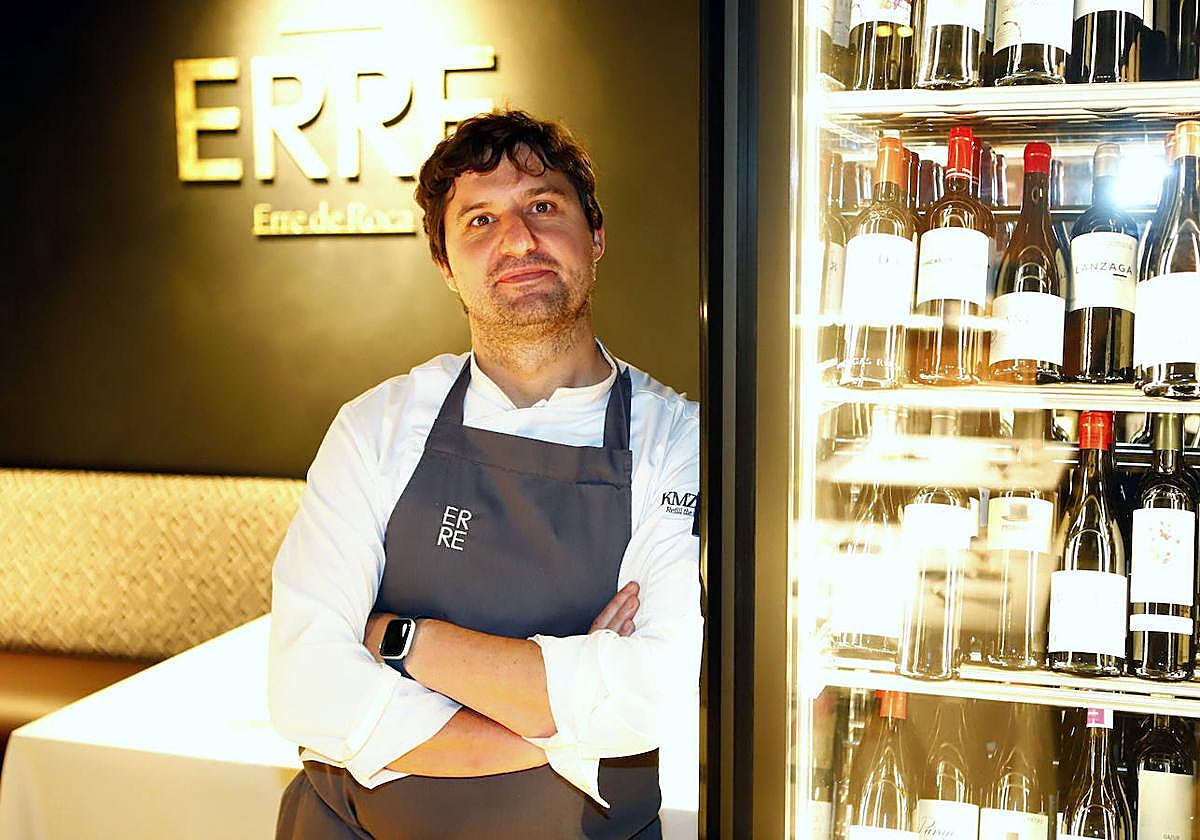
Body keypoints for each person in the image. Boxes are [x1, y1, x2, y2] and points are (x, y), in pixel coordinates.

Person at [268, 109, 702, 840]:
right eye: (479, 221)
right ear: (445, 265)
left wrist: (403, 641)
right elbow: (305, 685)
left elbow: (653, 693)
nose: (518, 240)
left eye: (543, 206)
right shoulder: (376, 427)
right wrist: (565, 730)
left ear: (596, 234)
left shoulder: (676, 440)